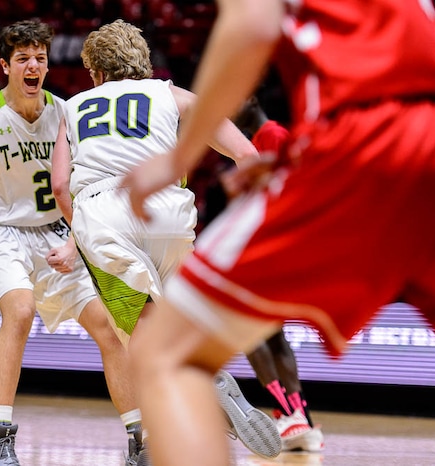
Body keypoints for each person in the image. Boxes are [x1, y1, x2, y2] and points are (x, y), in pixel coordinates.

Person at [122, 0, 435, 465]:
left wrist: (179, 157)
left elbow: (251, 22)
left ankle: (292, 415)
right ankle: (294, 414)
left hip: (371, 135)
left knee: (167, 353)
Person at [50, 19, 281, 463]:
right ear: (142, 61)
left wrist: (82, 236)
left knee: (141, 335)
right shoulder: (173, 94)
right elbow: (247, 155)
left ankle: (158, 440)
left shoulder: (74, 106)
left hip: (105, 212)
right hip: (169, 212)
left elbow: (61, 186)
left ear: (95, 71)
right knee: (173, 326)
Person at [0, 19, 136, 466]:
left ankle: (140, 440)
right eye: (23, 59)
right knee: (20, 311)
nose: (33, 66)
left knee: (110, 330)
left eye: (40, 58)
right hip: (0, 231)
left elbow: (87, 185)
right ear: (5, 66)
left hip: (55, 233)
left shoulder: (66, 115)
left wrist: (80, 236)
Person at [231, 96, 324, 452]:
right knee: (272, 336)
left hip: (275, 247)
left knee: (249, 332)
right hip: (278, 247)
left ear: (251, 99)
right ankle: (303, 423)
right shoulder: (258, 140)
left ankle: (287, 413)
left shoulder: (272, 135)